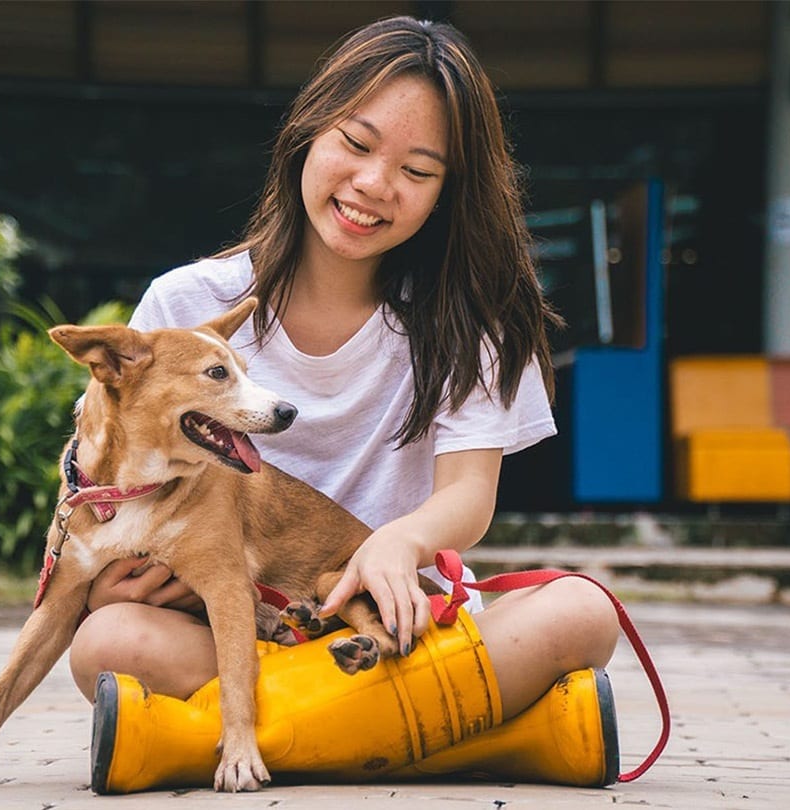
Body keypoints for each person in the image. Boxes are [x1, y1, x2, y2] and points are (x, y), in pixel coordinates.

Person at [69, 15, 621, 788]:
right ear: (308, 133)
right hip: (233, 631)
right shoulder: (189, 305)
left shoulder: (470, 325)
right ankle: (486, 740)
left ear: (447, 194)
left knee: (582, 611)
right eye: (356, 145)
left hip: (392, 624)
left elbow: (468, 495)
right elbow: (107, 483)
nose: (373, 185)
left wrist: (397, 544)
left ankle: (201, 742)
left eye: (418, 170)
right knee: (106, 641)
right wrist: (107, 578)